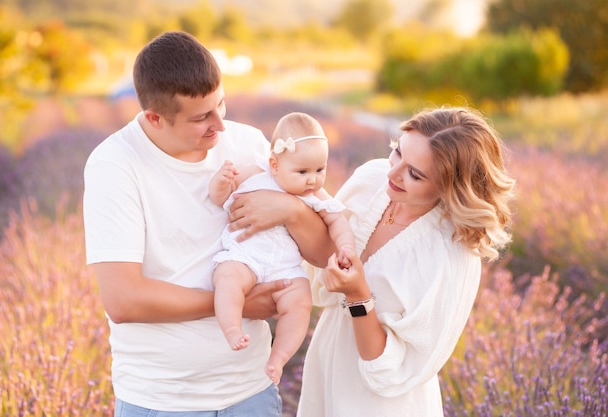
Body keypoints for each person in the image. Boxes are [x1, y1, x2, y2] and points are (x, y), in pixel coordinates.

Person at [83, 31, 333, 416]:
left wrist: (291, 211)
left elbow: (322, 252)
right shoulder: (115, 165)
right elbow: (123, 300)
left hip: (251, 392)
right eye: (202, 118)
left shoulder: (250, 144)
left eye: (222, 105)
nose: (221, 125)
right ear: (154, 118)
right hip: (161, 400)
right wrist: (240, 304)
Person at [295, 106, 516, 417]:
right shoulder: (371, 180)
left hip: (381, 404)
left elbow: (391, 373)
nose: (393, 173)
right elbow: (319, 284)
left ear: (449, 187)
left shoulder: (450, 255)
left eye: (415, 174)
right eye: (397, 153)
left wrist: (358, 295)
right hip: (326, 370)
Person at [209, 112, 355, 385]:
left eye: (320, 170)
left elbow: (337, 221)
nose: (312, 180)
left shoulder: (314, 195)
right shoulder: (255, 173)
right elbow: (220, 199)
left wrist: (346, 246)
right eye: (302, 172)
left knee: (300, 303)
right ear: (274, 164)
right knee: (227, 279)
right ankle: (231, 329)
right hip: (245, 255)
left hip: (284, 267)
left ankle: (279, 357)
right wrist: (222, 182)